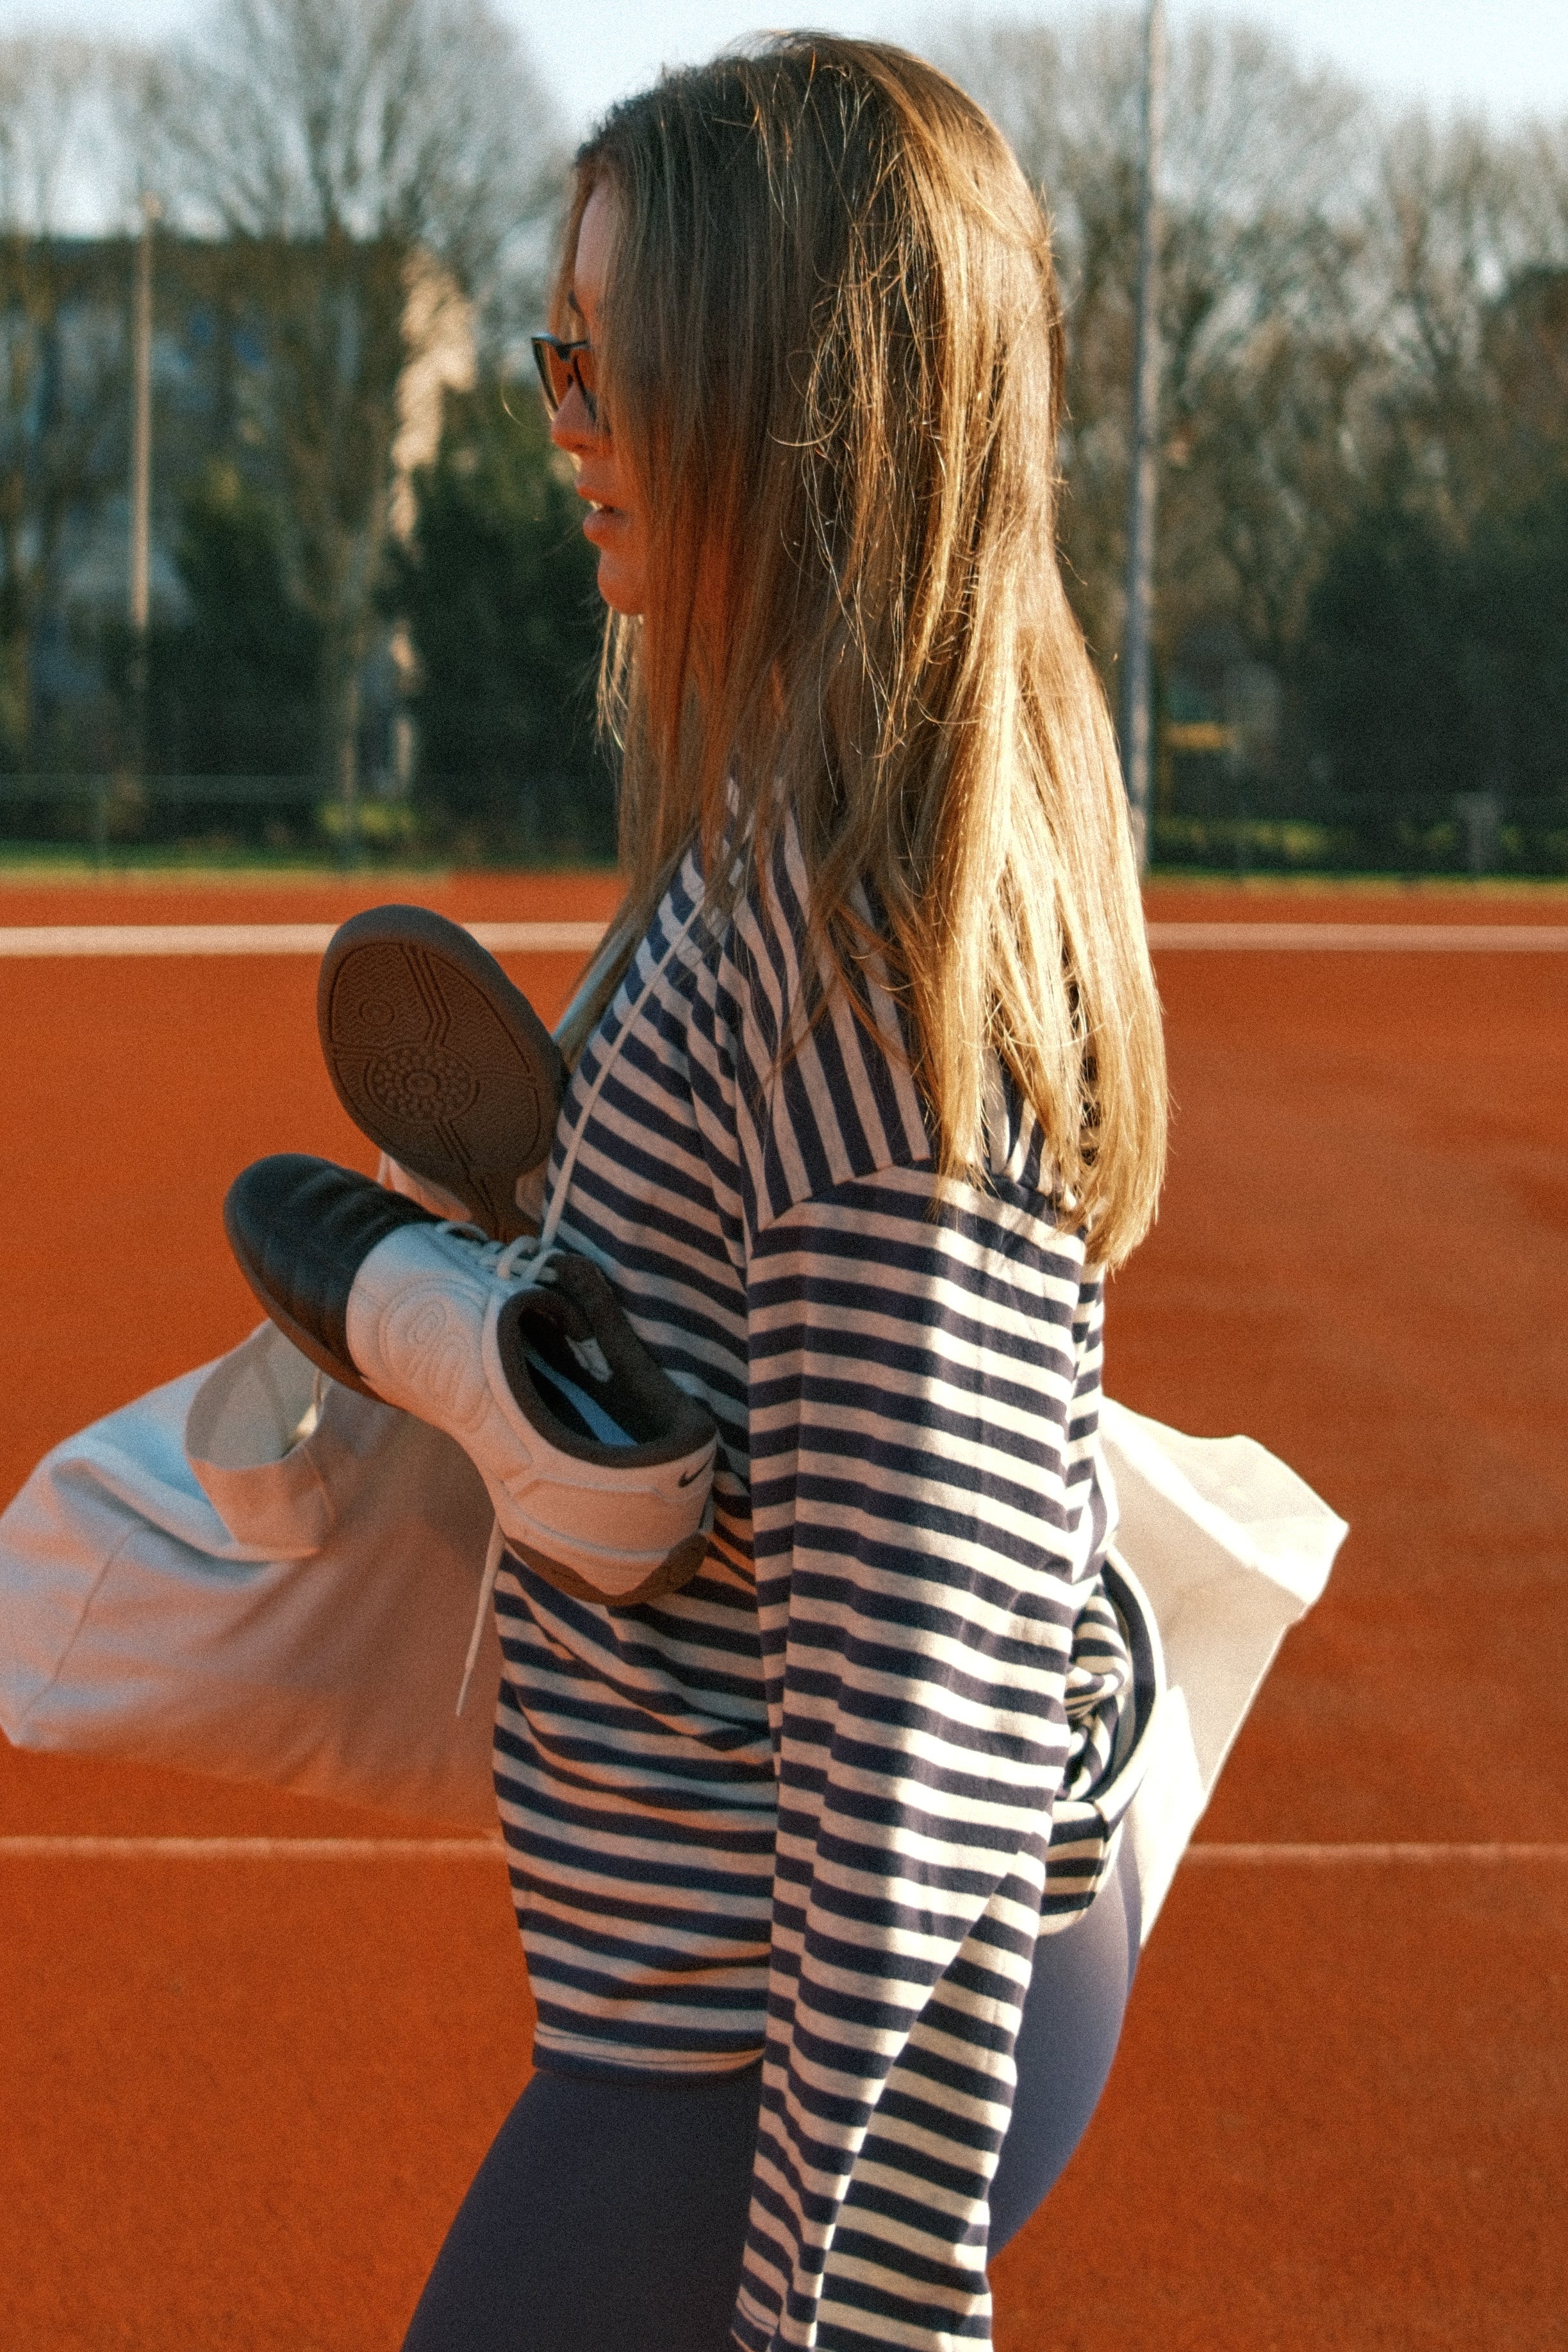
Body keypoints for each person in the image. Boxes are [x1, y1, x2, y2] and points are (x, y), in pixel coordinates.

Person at [229, 35, 1169, 2351]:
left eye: (604, 366)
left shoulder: (862, 976)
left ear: (793, 400)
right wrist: (534, 1243)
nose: (562, 416)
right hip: (712, 1985)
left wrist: (833, 2304)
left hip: (785, 2030)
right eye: (555, 354)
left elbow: (924, 1738)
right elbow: (760, 1346)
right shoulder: (778, 833)